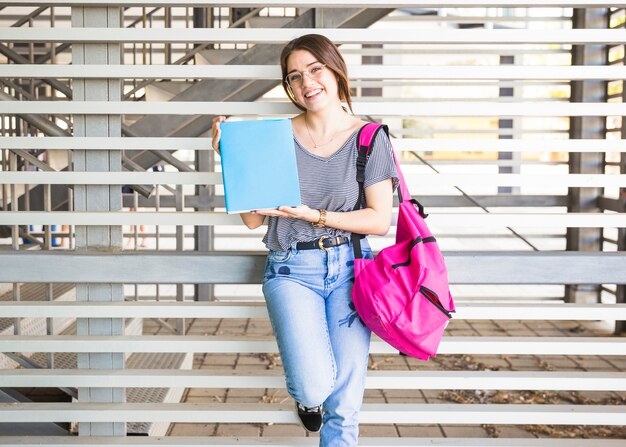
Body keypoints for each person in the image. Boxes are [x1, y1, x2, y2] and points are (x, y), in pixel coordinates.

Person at [211, 33, 398, 447]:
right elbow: (251, 219)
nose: (306, 82)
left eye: (315, 69)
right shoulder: (274, 136)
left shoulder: (370, 137)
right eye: (294, 76)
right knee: (315, 388)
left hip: (352, 270)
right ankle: (308, 402)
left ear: (335, 71)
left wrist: (315, 215)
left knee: (345, 407)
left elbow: (379, 220)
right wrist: (232, 158)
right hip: (292, 270)